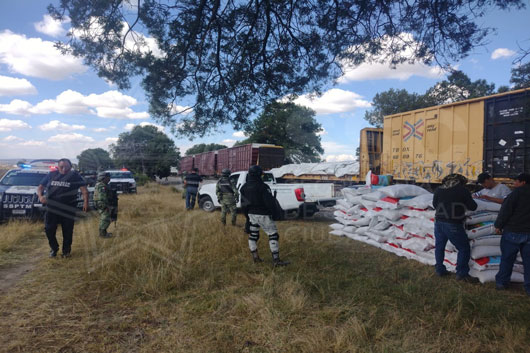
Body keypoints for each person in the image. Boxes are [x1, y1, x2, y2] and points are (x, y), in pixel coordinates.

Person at [37, 158, 89, 258]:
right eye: (61, 167)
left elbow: (84, 190)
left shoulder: (75, 176)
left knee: (68, 231)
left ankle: (66, 251)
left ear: (71, 167)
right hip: (52, 208)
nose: (64, 169)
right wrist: (40, 196)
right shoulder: (51, 175)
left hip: (68, 208)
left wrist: (85, 203)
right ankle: (54, 248)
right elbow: (40, 187)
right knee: (49, 229)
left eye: (67, 167)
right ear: (58, 167)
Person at [240, 165, 289, 266]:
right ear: (259, 174)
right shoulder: (263, 187)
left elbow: (243, 205)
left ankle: (255, 258)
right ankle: (276, 261)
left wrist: (247, 219)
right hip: (264, 215)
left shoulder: (244, 187)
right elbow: (270, 203)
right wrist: (276, 215)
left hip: (251, 214)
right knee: (273, 235)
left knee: (253, 235)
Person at [433, 173, 477, 281]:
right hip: (453, 223)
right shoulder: (462, 190)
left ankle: (439, 269)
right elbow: (473, 206)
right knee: (463, 248)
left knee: (439, 246)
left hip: (438, 222)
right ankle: (461, 274)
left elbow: (435, 204)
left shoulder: (439, 190)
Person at [494, 173, 530, 296]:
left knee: (507, 259)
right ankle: (528, 287)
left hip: (513, 231)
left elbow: (505, 210)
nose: (514, 184)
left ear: (523, 182)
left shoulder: (516, 194)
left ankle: (502, 283)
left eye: (516, 182)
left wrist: (498, 225)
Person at [93, 172, 114, 238]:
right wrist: (106, 205)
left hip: (100, 203)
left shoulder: (100, 184)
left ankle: (104, 232)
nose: (109, 179)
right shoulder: (102, 186)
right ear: (103, 178)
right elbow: (102, 197)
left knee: (104, 217)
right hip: (103, 203)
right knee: (105, 218)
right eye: (108, 177)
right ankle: (102, 234)